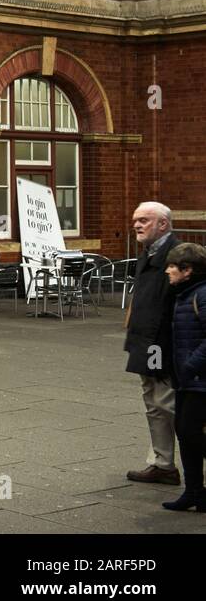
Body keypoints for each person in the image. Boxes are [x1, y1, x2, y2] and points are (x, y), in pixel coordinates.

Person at [123, 201, 181, 485]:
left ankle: (172, 464)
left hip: (161, 342)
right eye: (136, 220)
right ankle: (163, 464)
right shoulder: (149, 252)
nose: (137, 225)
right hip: (144, 340)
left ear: (163, 224)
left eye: (144, 220)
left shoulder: (178, 255)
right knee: (154, 402)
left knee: (167, 403)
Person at [162, 243, 206, 511]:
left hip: (200, 380)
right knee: (186, 434)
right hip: (187, 380)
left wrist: (190, 366)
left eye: (172, 266)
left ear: (187, 270)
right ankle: (194, 492)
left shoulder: (201, 295)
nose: (167, 270)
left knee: (191, 434)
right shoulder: (183, 294)